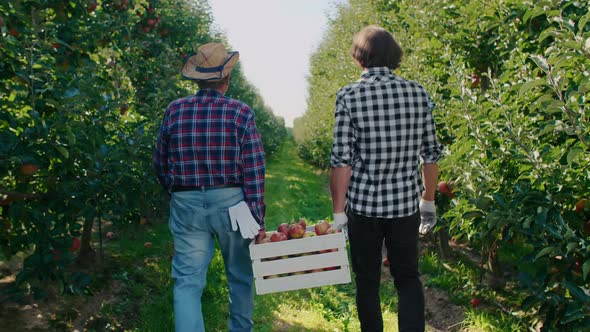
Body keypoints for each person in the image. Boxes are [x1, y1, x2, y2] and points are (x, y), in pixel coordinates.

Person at [330, 25, 443, 332]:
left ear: (359, 58)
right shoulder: (418, 94)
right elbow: (430, 153)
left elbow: (341, 160)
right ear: (394, 55)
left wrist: (339, 212)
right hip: (405, 206)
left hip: (364, 209)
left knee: (367, 282)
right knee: (407, 278)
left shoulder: (349, 96)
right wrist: (428, 201)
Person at [153, 42, 266, 332]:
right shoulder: (240, 113)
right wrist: (256, 216)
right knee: (240, 275)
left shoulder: (175, 110)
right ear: (226, 79)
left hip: (186, 200)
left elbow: (161, 164)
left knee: (188, 282)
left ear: (197, 79)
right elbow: (253, 170)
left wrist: (179, 192)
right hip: (232, 203)